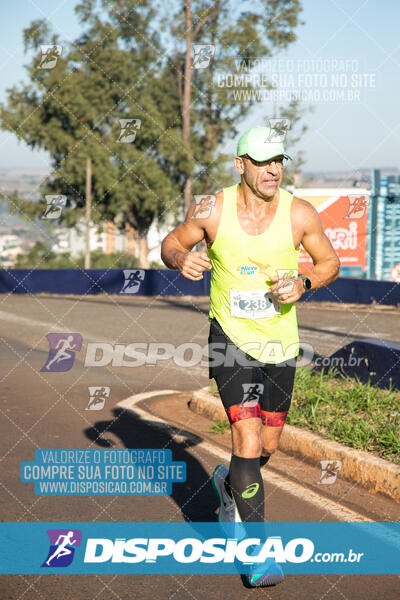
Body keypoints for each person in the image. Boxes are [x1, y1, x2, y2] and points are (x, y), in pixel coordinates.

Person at [161, 126, 340, 586]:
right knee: (246, 437)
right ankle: (258, 553)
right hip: (230, 339)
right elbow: (171, 243)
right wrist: (182, 260)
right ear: (240, 164)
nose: (273, 169)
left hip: (280, 344)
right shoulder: (211, 210)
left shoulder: (299, 214)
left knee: (269, 444)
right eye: (262, 161)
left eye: (278, 160)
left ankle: (227, 484)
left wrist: (303, 283)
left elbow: (329, 263)